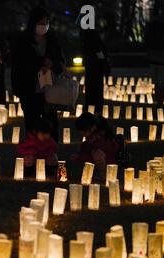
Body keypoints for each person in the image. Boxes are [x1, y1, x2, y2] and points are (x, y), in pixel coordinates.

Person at [11, 7, 65, 142]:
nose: (44, 26)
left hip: (49, 89)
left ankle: (52, 150)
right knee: (31, 121)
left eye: (47, 22)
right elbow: (18, 62)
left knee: (51, 121)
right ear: (33, 23)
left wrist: (53, 65)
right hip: (29, 87)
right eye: (41, 22)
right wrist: (40, 62)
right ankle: (32, 150)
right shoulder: (23, 40)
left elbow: (61, 61)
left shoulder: (52, 40)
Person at [73, 112, 119, 182]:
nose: (83, 134)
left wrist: (79, 156)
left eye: (84, 132)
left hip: (108, 166)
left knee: (97, 154)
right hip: (104, 164)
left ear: (93, 128)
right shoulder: (93, 138)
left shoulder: (100, 139)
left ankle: (102, 175)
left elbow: (90, 154)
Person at [80, 28, 110, 113]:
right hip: (96, 73)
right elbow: (103, 58)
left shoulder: (91, 47)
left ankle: (90, 111)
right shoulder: (96, 46)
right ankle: (96, 110)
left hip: (92, 73)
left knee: (91, 93)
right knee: (96, 93)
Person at [145, 17, 164, 108]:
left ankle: (158, 100)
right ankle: (159, 101)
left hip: (155, 59)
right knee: (160, 82)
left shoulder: (151, 33)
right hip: (159, 60)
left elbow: (147, 42)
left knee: (157, 81)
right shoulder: (154, 35)